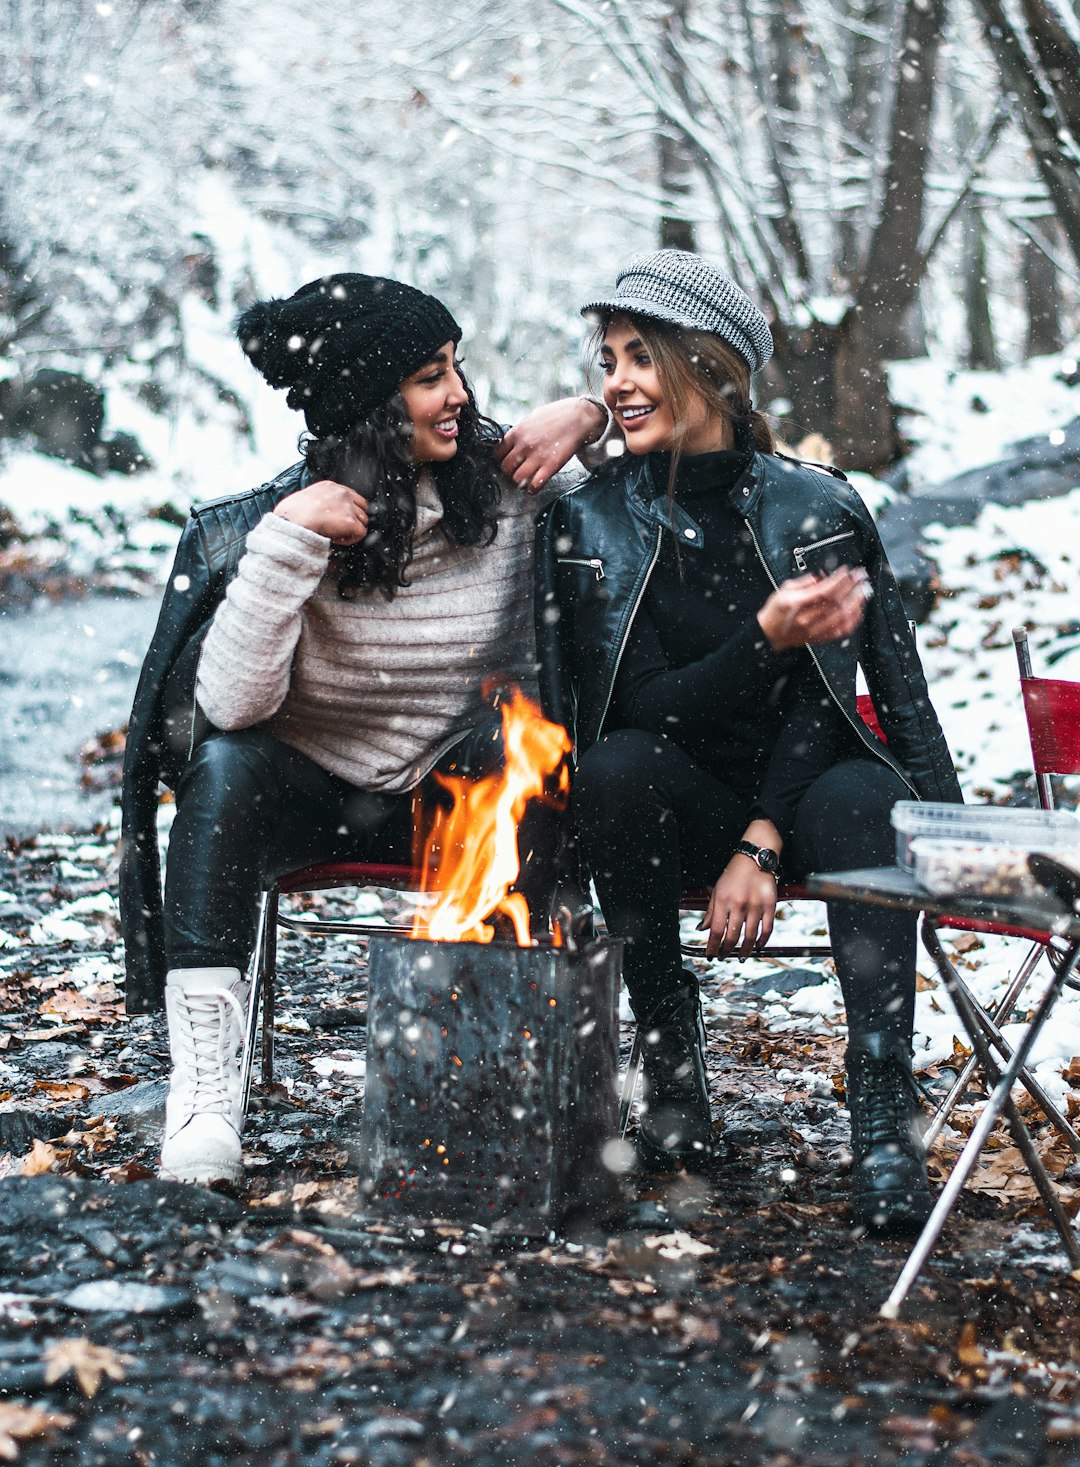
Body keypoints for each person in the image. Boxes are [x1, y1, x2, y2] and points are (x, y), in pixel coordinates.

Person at [118, 272, 608, 1188]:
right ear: (370, 403)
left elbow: (663, 501)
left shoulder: (512, 482)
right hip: (321, 795)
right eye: (431, 376)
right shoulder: (293, 516)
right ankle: (205, 1088)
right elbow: (229, 708)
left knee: (523, 747)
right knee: (220, 771)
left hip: (464, 798)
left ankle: (488, 1071)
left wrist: (591, 415)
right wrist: (288, 542)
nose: (460, 394)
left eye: (457, 367)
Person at [535, 249, 963, 1233]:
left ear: (709, 363)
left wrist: (767, 837)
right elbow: (643, 706)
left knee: (866, 794)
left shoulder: (818, 506)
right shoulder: (591, 518)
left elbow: (854, 700)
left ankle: (882, 1116)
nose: (616, 383)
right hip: (672, 797)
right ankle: (675, 1076)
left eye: (640, 357)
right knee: (616, 766)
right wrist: (760, 639)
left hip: (806, 797)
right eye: (606, 362)